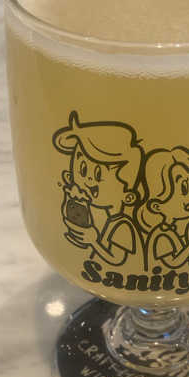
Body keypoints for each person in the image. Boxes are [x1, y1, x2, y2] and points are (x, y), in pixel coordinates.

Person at [53, 111, 145, 268]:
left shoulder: (122, 225)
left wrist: (93, 241)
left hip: (128, 275)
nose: (88, 180)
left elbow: (117, 259)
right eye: (82, 170)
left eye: (98, 174)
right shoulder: (97, 217)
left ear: (128, 196)